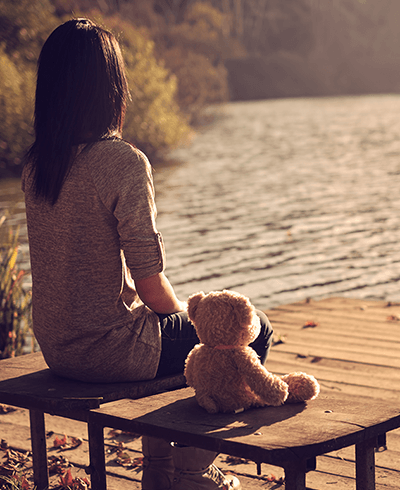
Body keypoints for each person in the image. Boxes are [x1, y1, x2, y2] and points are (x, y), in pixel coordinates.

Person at [22, 18, 273, 490]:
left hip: (58, 346)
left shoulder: (39, 164)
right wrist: (195, 327)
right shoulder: (121, 162)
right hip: (110, 351)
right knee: (250, 329)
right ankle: (192, 471)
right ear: (110, 88)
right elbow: (153, 285)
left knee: (197, 339)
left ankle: (159, 470)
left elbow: (80, 267)